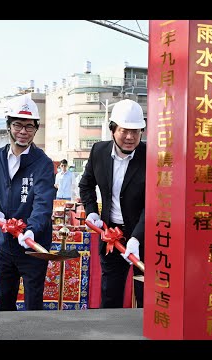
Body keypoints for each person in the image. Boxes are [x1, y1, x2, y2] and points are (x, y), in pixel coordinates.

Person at [0, 95, 56, 311]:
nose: (23, 132)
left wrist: (32, 229)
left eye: (29, 127)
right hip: (6, 244)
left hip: (33, 246)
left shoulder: (42, 163)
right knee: (4, 299)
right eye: (17, 125)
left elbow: (43, 203)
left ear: (36, 129)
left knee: (33, 303)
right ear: (8, 126)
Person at [79, 99, 146, 308]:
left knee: (147, 296)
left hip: (144, 236)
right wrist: (92, 212)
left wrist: (137, 237)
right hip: (111, 235)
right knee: (110, 295)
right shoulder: (99, 152)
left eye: (136, 131)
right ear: (112, 129)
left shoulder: (152, 156)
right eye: (124, 131)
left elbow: (156, 203)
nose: (130, 137)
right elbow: (86, 184)